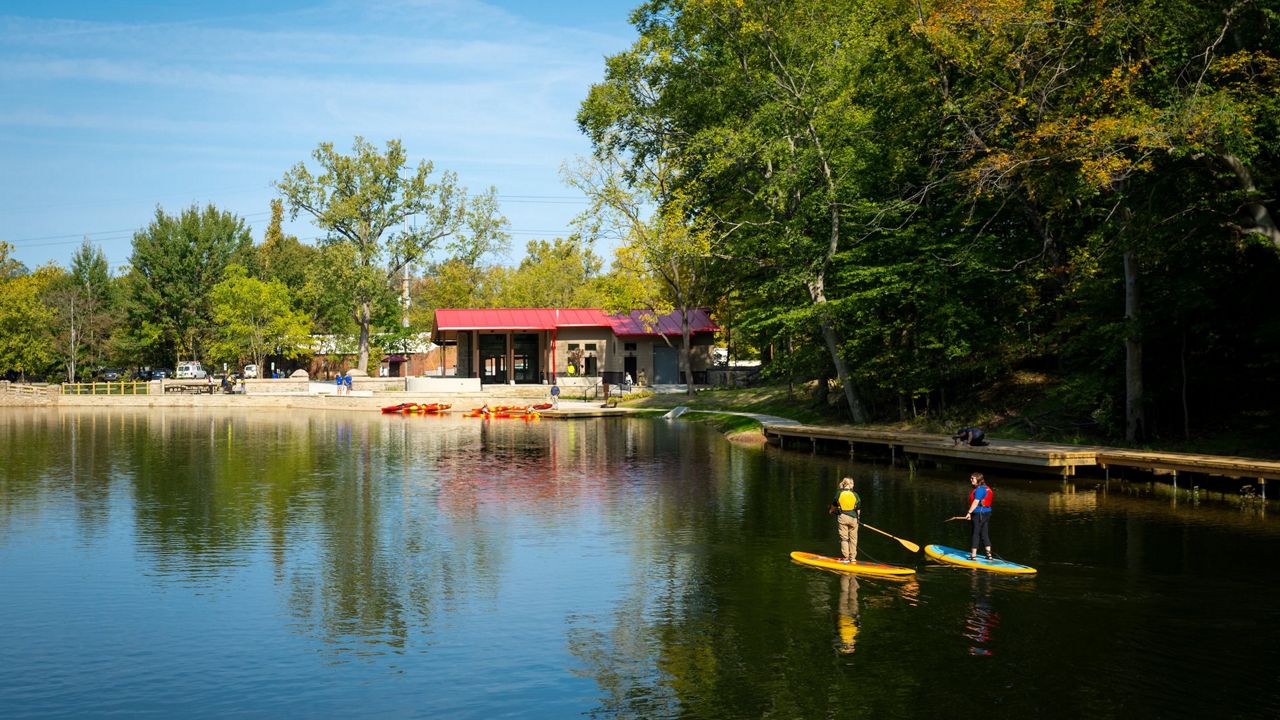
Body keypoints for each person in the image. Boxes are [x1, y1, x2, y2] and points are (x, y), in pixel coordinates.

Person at [828, 477, 860, 564]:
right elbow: (858, 508)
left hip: (843, 517)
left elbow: (834, 504)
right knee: (853, 539)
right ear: (850, 485)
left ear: (843, 484)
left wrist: (831, 511)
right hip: (854, 518)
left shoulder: (839, 493)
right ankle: (853, 558)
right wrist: (858, 519)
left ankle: (846, 557)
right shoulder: (855, 495)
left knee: (844, 538)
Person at [965, 472, 994, 561]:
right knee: (984, 533)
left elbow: (976, 502)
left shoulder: (980, 490)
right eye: (971, 478)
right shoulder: (986, 488)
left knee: (975, 533)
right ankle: (989, 556)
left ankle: (973, 556)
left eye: (972, 478)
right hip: (986, 513)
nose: (971, 480)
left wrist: (969, 512)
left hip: (979, 514)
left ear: (978, 480)